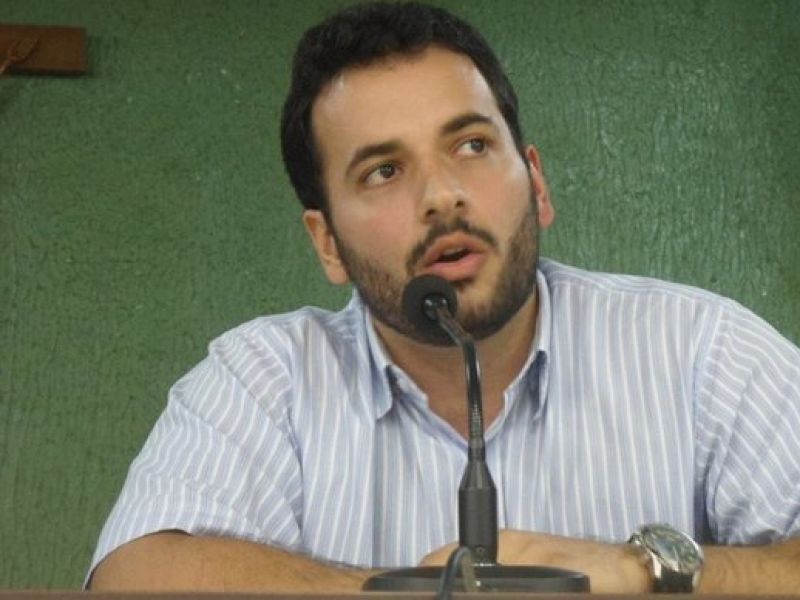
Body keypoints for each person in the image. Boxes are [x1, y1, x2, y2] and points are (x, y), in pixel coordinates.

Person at [88, 1, 800, 593]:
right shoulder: (265, 377)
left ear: (537, 183)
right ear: (327, 242)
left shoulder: (701, 348)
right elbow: (134, 575)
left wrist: (640, 569)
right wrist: (414, 593)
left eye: (471, 146)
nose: (442, 196)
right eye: (383, 171)